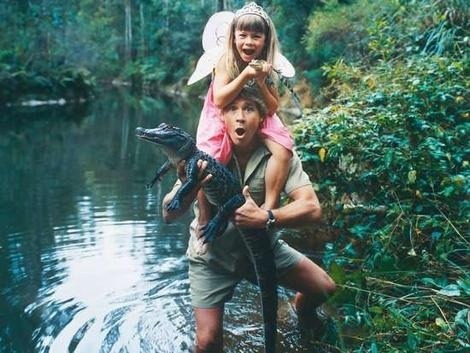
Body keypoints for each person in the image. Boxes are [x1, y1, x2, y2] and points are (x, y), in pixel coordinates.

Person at [163, 87, 336, 352]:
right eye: (232, 109)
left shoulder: (280, 154)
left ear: (262, 117)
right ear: (222, 117)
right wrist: (189, 186)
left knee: (323, 288)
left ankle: (299, 314)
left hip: (264, 246)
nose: (240, 117)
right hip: (213, 255)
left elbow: (312, 208)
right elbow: (168, 214)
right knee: (207, 342)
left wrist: (267, 216)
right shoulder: (206, 153)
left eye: (249, 109)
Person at [196, 2, 293, 224]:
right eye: (243, 35)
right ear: (233, 38)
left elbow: (272, 107)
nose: (249, 42)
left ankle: (269, 205)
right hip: (223, 109)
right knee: (207, 158)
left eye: (256, 36)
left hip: (257, 110)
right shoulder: (224, 61)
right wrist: (245, 76)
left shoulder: (268, 66)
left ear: (265, 40)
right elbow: (219, 99)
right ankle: (203, 214)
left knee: (284, 148)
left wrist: (260, 81)